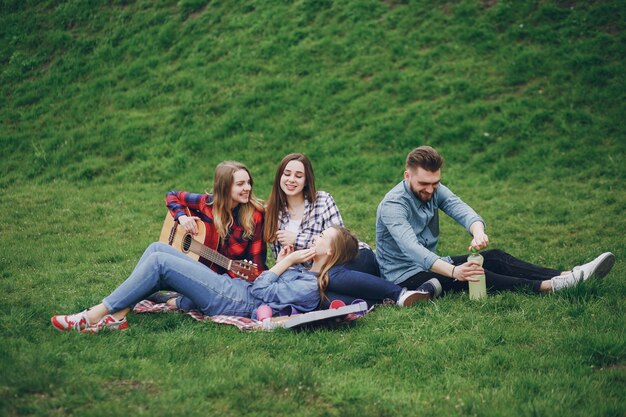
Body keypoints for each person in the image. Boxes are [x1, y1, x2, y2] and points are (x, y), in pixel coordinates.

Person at [375, 145, 615, 296]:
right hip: (405, 275)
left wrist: (478, 232)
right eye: (423, 184)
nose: (430, 190)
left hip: (433, 264)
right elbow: (413, 249)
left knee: (496, 257)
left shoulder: (434, 188)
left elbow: (461, 209)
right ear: (407, 176)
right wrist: (454, 271)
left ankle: (567, 274)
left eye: (435, 183)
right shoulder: (393, 205)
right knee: (475, 273)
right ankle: (550, 287)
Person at [51, 226, 364, 333]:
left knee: (160, 262)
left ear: (330, 251)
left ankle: (93, 315)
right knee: (158, 247)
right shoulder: (303, 273)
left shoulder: (310, 285)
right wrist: (288, 262)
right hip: (234, 290)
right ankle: (117, 315)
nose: (316, 237)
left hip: (234, 299)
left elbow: (260, 289)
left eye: (323, 236)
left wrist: (287, 262)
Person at [264, 153, 434, 308]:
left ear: (306, 180)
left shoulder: (322, 200)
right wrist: (285, 266)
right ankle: (386, 300)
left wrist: (298, 239)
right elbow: (286, 262)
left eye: (298, 176)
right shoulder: (272, 212)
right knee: (321, 299)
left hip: (351, 260)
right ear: (279, 176)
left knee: (329, 275)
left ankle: (401, 293)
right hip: (313, 277)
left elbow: (341, 242)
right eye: (287, 174)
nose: (291, 179)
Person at [165, 160, 267, 279]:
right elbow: (172, 195)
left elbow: (258, 266)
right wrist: (182, 218)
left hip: (230, 279)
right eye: (240, 184)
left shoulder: (254, 216)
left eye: (248, 183)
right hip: (202, 270)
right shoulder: (208, 204)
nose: (248, 188)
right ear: (225, 188)